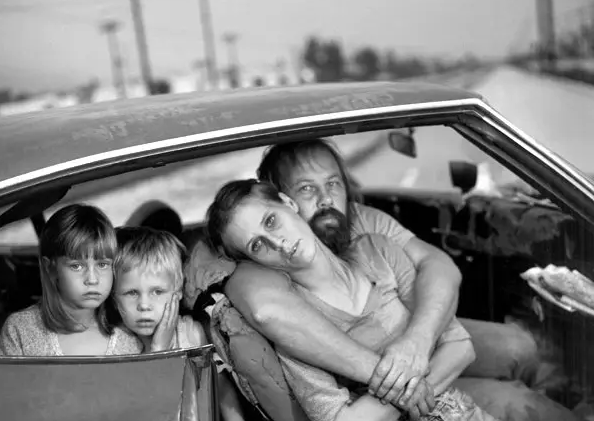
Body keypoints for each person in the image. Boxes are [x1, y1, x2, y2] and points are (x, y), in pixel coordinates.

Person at [205, 179, 594, 421]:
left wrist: (409, 357)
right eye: (258, 245)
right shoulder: (294, 328)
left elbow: (461, 348)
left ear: (289, 203)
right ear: (254, 262)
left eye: (271, 221)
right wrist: (410, 387)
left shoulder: (378, 251)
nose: (277, 243)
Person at [226, 139, 559, 404]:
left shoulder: (364, 221)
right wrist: (405, 375)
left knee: (520, 347)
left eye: (333, 183)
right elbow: (257, 301)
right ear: (286, 200)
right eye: (307, 189)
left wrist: (418, 340)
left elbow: (439, 265)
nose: (327, 198)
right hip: (378, 387)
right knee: (515, 402)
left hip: (421, 338)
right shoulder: (270, 253)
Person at [112, 226, 260, 421]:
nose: (144, 305)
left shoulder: (192, 335)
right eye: (131, 293)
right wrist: (157, 351)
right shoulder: (116, 345)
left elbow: (223, 394)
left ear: (177, 293)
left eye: (157, 291)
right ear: (114, 297)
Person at [0, 204, 141, 356]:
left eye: (103, 265)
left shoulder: (129, 336)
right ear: (50, 268)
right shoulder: (21, 330)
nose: (92, 279)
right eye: (76, 266)